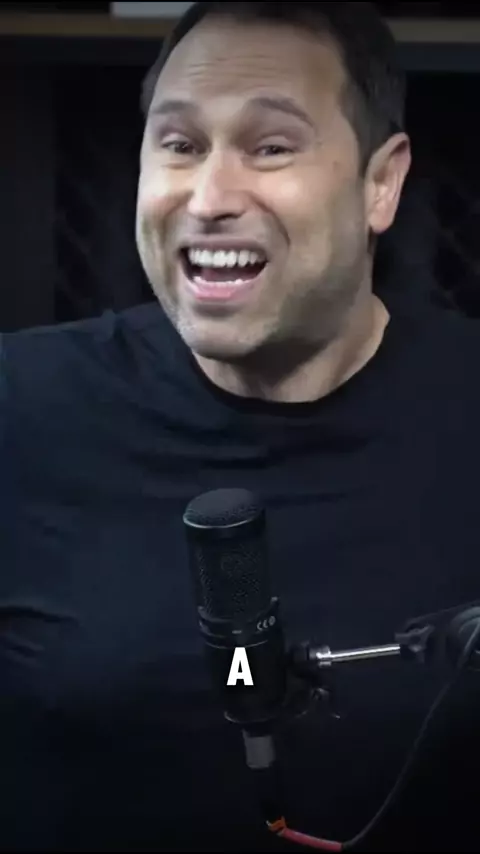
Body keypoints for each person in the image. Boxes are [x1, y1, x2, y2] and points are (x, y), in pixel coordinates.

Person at [1, 2, 480, 851]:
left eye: (271, 147)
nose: (210, 198)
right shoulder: (18, 403)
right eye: (179, 145)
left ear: (381, 183)